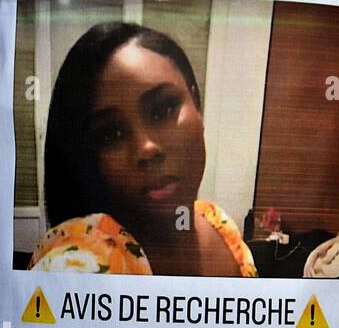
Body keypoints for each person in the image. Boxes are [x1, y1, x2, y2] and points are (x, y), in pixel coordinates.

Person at [29, 22, 257, 277]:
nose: (146, 148)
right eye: (111, 134)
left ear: (196, 104)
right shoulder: (83, 263)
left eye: (164, 110)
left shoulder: (219, 224)